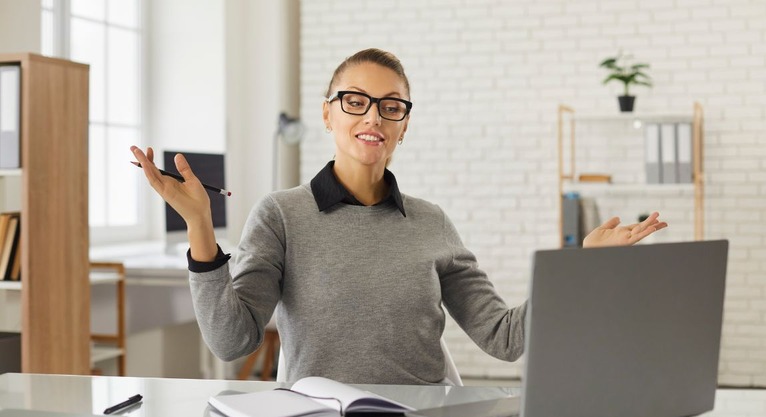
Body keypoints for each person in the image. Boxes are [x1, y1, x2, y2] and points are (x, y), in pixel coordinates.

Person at [130, 48, 667, 385]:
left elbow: (504, 340)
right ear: (327, 113)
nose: (373, 116)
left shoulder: (431, 222)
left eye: (391, 106)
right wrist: (200, 227)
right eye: (355, 101)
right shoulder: (281, 215)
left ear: (404, 124)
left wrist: (582, 267)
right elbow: (233, 343)